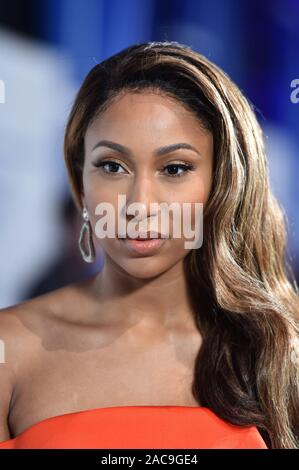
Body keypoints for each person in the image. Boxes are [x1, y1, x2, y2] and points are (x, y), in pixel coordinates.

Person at [0, 41, 298, 449]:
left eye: (174, 168)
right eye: (112, 166)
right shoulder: (9, 348)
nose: (140, 204)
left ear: (222, 184)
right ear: (79, 180)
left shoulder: (278, 351)